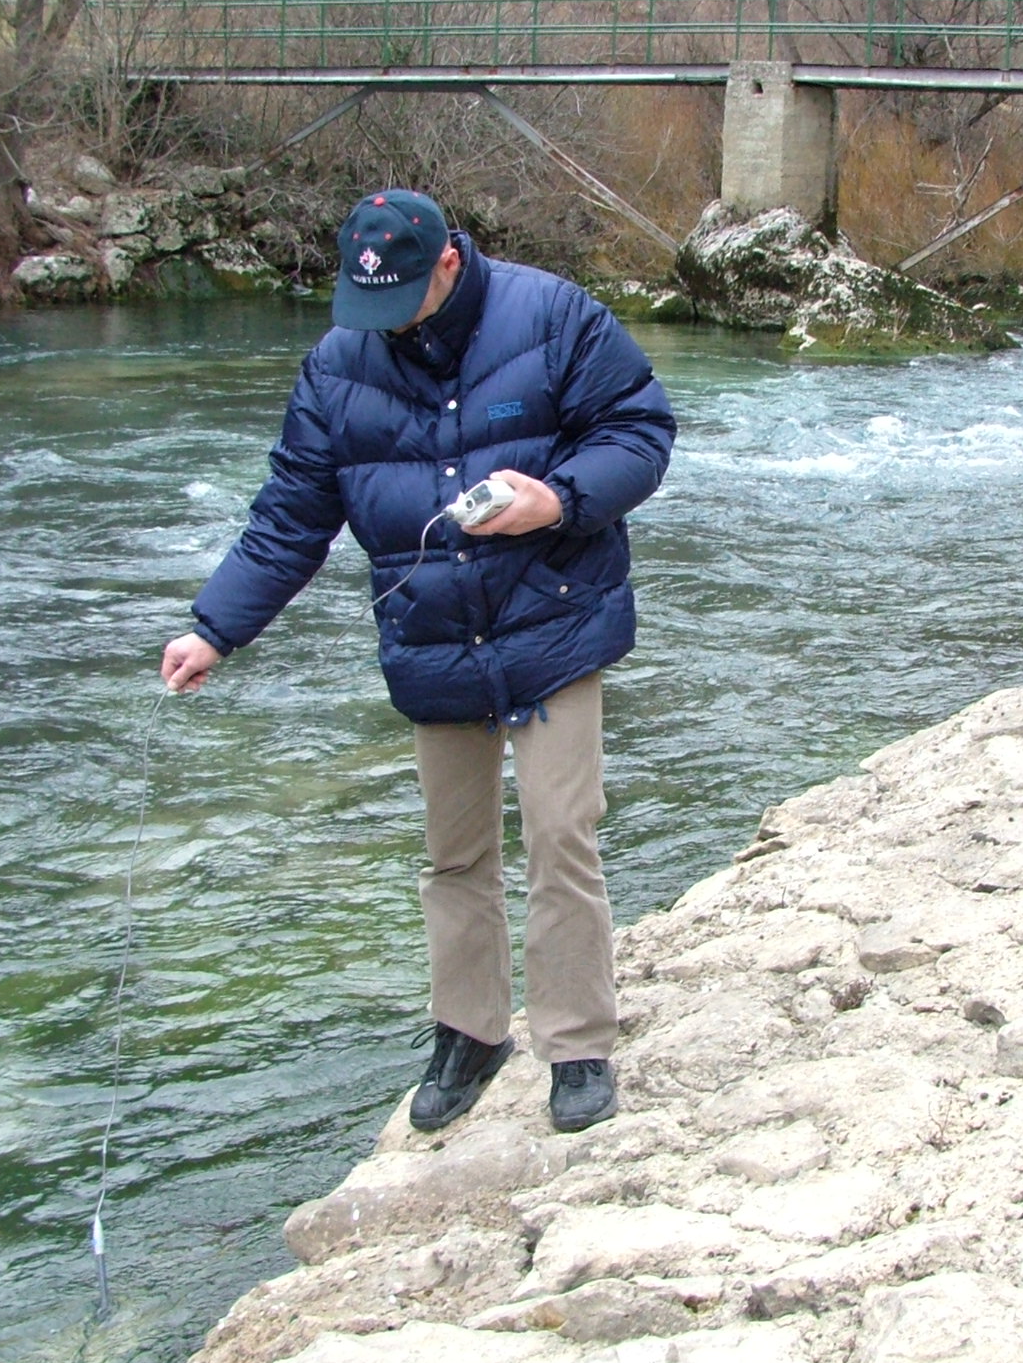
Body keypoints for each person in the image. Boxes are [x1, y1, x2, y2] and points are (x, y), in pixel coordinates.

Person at [160, 189, 675, 1136]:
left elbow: (639, 433)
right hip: (432, 636)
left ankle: (577, 1042)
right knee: (454, 853)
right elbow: (289, 520)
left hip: (553, 618)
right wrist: (214, 630)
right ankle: (471, 1034)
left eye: (399, 300)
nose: (383, 323)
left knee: (561, 833)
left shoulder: (554, 315)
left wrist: (558, 500)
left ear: (447, 262)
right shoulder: (335, 366)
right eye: (368, 305)